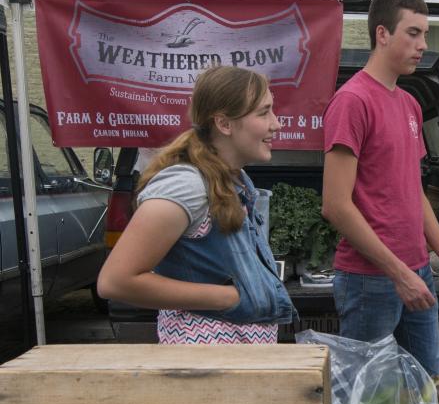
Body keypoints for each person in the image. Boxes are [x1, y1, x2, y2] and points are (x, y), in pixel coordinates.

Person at [321, 0, 439, 376]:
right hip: (371, 279)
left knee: (429, 386)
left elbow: (412, 191)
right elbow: (335, 204)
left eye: (426, 35)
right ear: (382, 34)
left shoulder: (409, 104)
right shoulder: (352, 101)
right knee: (366, 402)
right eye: (413, 33)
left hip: (416, 271)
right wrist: (397, 273)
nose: (423, 45)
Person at [97, 66, 296, 343]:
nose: (277, 124)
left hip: (235, 368)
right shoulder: (187, 186)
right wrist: (232, 297)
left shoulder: (234, 180)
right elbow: (115, 281)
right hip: (201, 368)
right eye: (264, 112)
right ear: (224, 124)